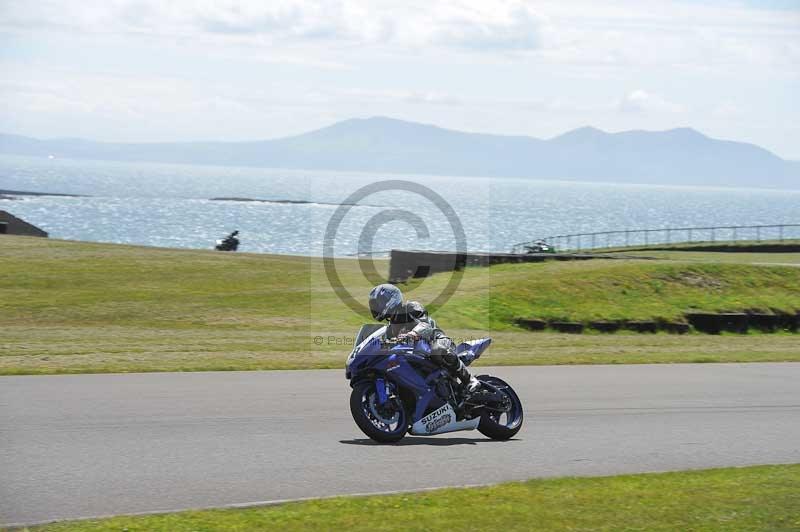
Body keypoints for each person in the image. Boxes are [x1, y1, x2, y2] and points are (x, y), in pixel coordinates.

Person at [368, 283, 480, 395]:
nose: (377, 307)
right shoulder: (390, 327)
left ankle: (469, 380)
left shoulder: (410, 307)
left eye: (379, 303)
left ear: (391, 299)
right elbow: (385, 343)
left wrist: (413, 333)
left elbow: (425, 325)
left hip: (436, 340)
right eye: (375, 305)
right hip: (416, 354)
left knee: (438, 349)